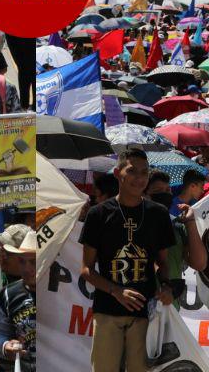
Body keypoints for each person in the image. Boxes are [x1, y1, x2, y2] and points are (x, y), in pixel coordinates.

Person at [79, 148, 175, 372]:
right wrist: (116, 291)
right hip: (107, 311)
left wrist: (167, 286)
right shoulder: (98, 214)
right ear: (117, 173)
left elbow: (163, 262)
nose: (139, 178)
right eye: (132, 171)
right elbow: (86, 269)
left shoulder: (158, 214)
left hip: (145, 312)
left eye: (145, 172)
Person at [0, 230, 37, 372]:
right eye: (22, 261)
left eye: (34, 262)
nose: (27, 268)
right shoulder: (8, 294)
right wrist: (5, 346)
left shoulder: (61, 291)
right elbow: (0, 334)